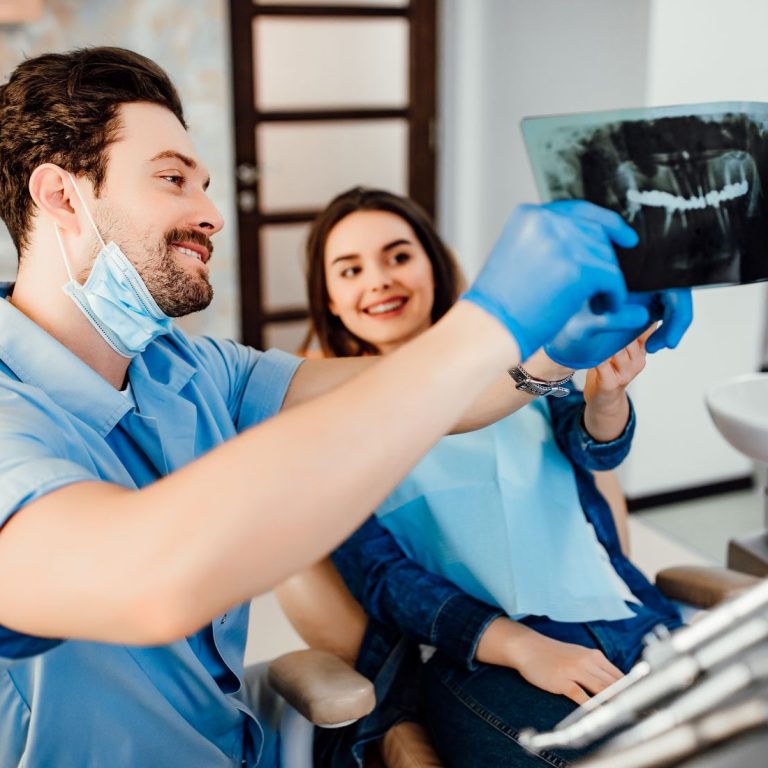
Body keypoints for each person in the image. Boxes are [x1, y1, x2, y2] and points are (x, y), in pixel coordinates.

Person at [0, 46, 678, 767]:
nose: (210, 214)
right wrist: (491, 318)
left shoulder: (195, 369)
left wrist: (559, 350)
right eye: (173, 180)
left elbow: (441, 400)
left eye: (202, 184)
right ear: (62, 195)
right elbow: (145, 581)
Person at [288, 187, 690, 767]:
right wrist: (524, 647)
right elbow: (383, 578)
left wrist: (607, 397)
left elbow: (594, 454)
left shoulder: (520, 363)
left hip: (626, 621)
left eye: (398, 256)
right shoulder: (323, 419)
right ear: (328, 297)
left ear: (433, 263)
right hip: (486, 659)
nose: (378, 279)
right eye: (350, 269)